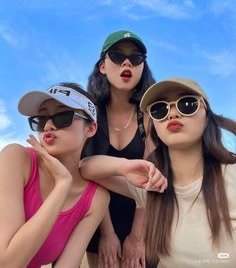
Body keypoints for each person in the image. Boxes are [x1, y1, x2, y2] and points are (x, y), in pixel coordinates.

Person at [80, 77, 236, 268]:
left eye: (187, 104)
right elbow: (85, 168)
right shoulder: (153, 185)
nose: (171, 113)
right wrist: (124, 166)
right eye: (159, 109)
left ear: (207, 117)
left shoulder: (231, 176)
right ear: (154, 127)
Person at [0, 82, 110, 268]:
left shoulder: (96, 198)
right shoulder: (16, 158)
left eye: (63, 117)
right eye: (41, 119)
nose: (49, 126)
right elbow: (8, 263)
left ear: (90, 128)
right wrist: (62, 185)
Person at [83, 30, 156, 268]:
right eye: (117, 56)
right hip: (97, 220)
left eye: (135, 58)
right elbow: (86, 175)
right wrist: (107, 234)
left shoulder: (150, 115)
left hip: (144, 223)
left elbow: (150, 181)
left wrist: (137, 237)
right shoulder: (89, 115)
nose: (127, 62)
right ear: (103, 66)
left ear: (142, 67)